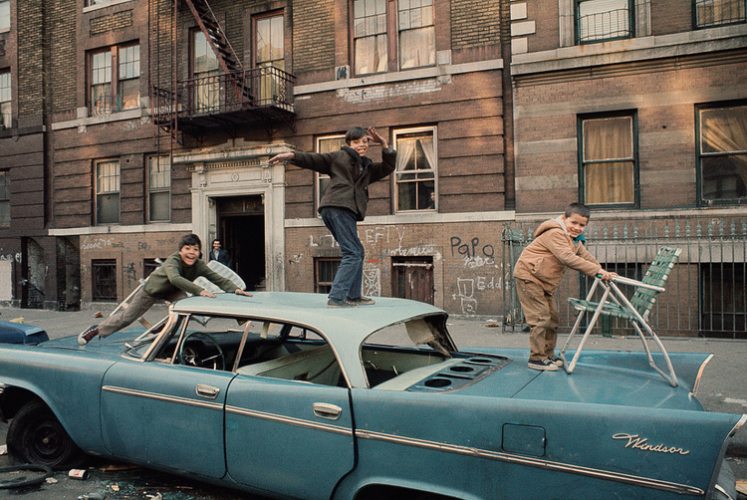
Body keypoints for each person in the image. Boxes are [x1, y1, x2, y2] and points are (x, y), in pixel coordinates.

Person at [269, 126, 396, 307]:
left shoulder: (366, 167)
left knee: (356, 251)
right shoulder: (339, 157)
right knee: (352, 252)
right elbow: (314, 159)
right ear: (349, 144)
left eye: (365, 142)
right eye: (356, 142)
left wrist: (384, 144)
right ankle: (336, 297)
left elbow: (388, 167)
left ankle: (353, 296)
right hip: (337, 206)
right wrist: (291, 155)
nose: (361, 145)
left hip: (344, 209)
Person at [78, 233, 252, 345]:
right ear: (180, 250)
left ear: (199, 252)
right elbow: (174, 278)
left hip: (174, 290)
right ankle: (96, 329)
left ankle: (160, 331)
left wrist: (235, 289)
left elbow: (217, 278)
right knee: (128, 317)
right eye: (187, 249)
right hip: (153, 289)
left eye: (195, 250)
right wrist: (199, 290)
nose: (191, 253)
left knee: (186, 309)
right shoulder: (173, 260)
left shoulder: (198, 265)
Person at [513, 202, 617, 371]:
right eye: (574, 223)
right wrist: (596, 272)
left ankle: (547, 354)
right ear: (564, 218)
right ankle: (537, 358)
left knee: (552, 318)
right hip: (529, 277)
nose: (577, 228)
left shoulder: (574, 240)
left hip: (544, 281)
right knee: (540, 318)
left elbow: (586, 257)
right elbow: (566, 258)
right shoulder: (555, 233)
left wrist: (603, 271)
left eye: (582, 225)